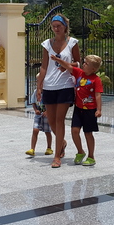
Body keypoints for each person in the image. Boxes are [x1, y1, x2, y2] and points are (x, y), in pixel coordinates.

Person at [36, 14, 80, 168]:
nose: (56, 29)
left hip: (65, 85)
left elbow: (78, 63)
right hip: (49, 85)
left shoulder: (72, 43)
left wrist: (66, 65)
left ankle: (56, 156)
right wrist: (39, 86)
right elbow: (44, 66)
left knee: (60, 120)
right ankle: (62, 142)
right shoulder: (47, 44)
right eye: (54, 26)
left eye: (58, 26)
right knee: (51, 120)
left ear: (65, 27)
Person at [50, 54, 103, 166]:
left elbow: (98, 95)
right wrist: (57, 59)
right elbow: (68, 66)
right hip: (78, 109)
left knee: (88, 133)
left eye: (87, 64)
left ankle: (91, 156)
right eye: (84, 62)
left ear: (93, 69)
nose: (84, 64)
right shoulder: (79, 73)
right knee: (74, 131)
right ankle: (80, 151)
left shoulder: (96, 80)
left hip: (90, 110)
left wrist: (99, 110)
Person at [26, 76, 53, 157]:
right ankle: (32, 149)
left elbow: (52, 104)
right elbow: (33, 102)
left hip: (47, 116)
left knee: (47, 131)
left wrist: (48, 111)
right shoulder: (35, 92)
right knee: (35, 130)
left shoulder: (48, 92)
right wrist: (35, 110)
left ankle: (49, 147)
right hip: (38, 115)